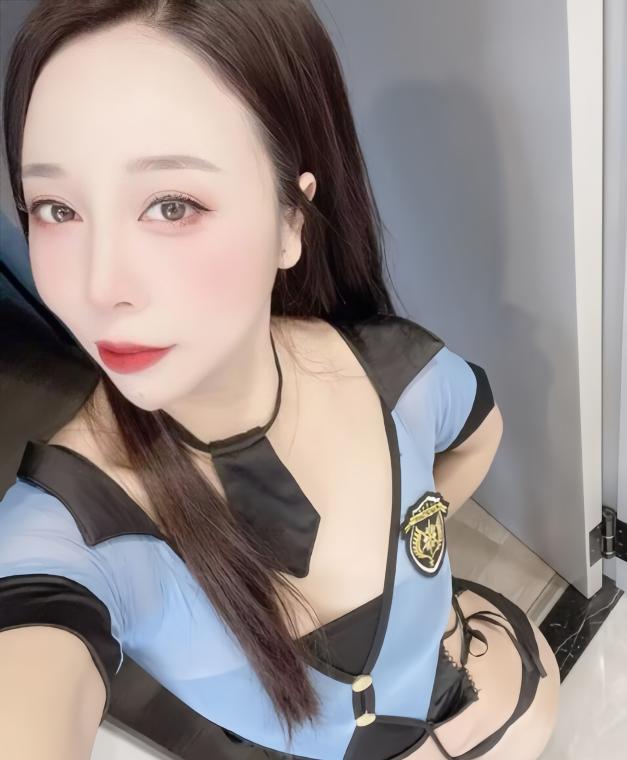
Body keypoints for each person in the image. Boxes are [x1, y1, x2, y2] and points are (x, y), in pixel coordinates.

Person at [0, 1, 560, 759]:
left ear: (291, 220)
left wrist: (414, 544)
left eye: (171, 205)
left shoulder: (401, 373)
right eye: (56, 208)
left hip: (498, 695)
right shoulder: (76, 530)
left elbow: (477, 438)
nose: (98, 287)